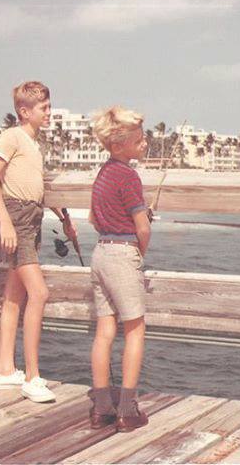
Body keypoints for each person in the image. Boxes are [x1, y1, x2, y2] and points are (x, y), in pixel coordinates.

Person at [0, 81, 77, 402]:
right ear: (25, 111)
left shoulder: (34, 143)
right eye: (44, 108)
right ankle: (33, 376)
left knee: (14, 295)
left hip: (32, 217)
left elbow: (37, 185)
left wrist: (64, 217)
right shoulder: (12, 136)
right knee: (39, 293)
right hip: (18, 219)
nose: (49, 113)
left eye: (49, 107)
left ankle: (6, 370)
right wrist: (6, 221)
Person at [87, 106, 151, 432]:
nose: (144, 144)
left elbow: (93, 219)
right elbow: (142, 227)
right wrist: (140, 253)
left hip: (100, 252)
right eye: (138, 141)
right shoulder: (129, 176)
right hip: (123, 254)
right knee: (135, 330)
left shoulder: (103, 174)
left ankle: (101, 408)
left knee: (104, 331)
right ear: (118, 146)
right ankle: (127, 409)